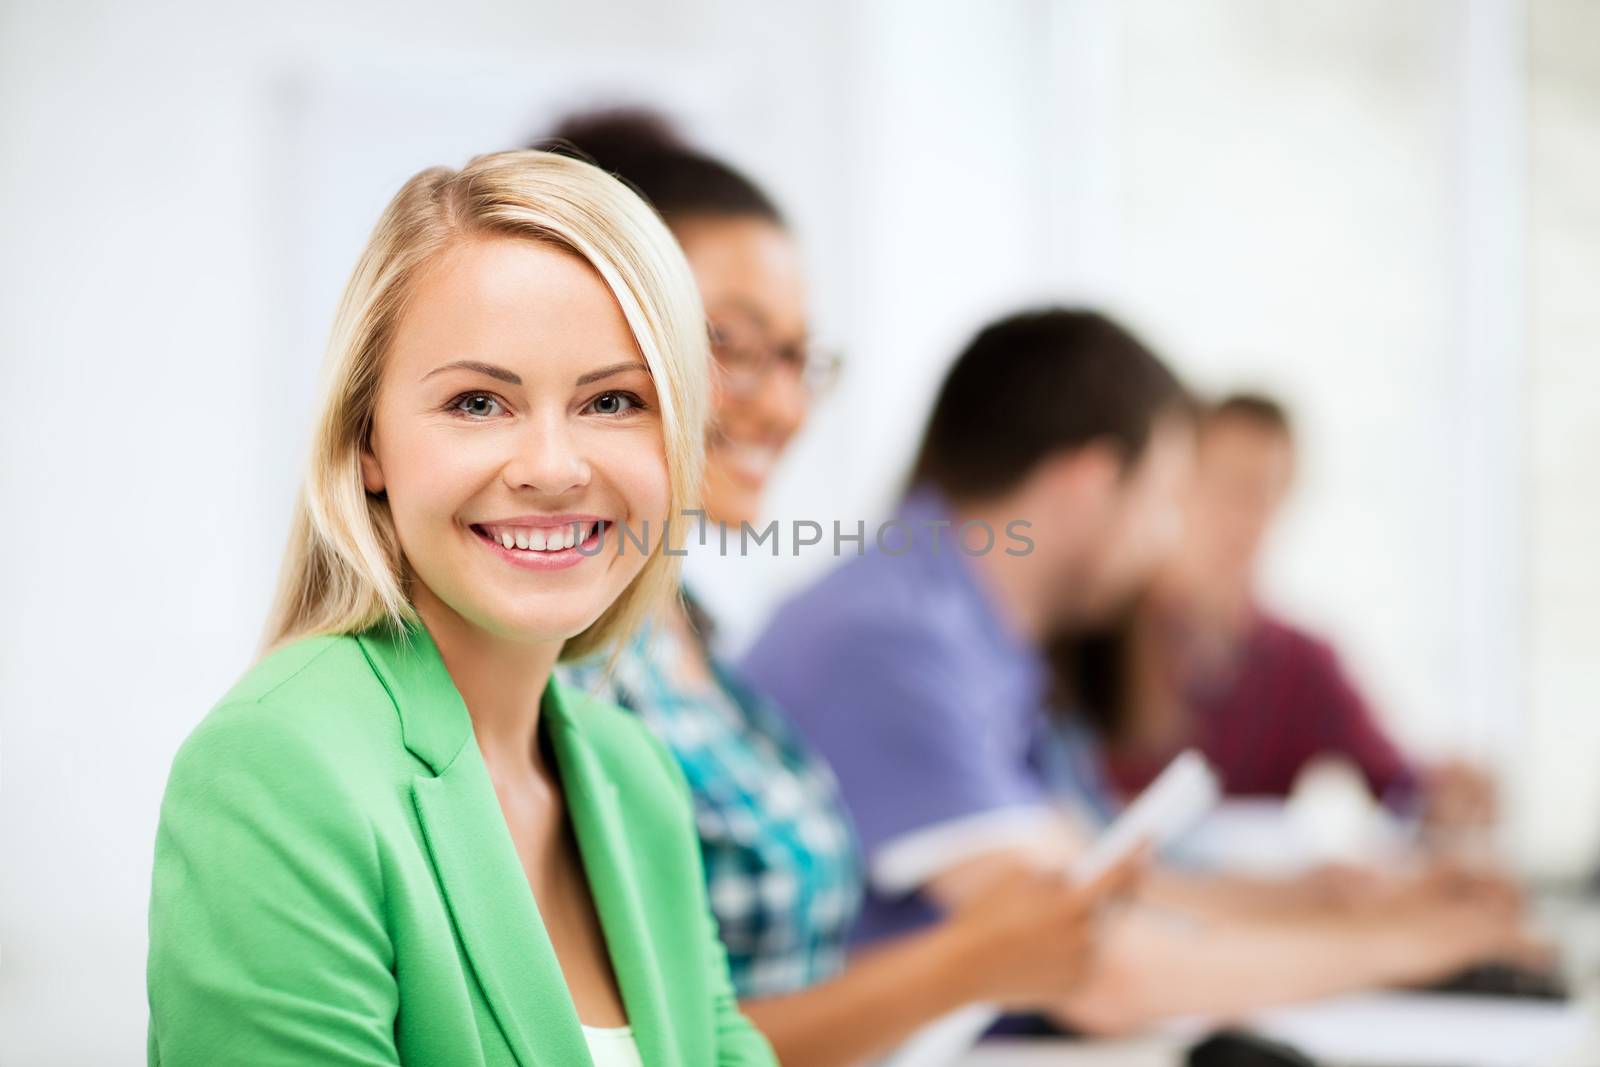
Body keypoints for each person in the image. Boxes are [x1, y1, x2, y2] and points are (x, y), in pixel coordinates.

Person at [146, 150, 775, 1066]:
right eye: (479, 402)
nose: (553, 467)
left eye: (613, 400)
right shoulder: (275, 769)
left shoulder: (629, 771)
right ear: (367, 442)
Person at [743, 310, 1535, 1034]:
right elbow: (1089, 959)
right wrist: (1410, 946)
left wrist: (1329, 900)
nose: (1165, 539)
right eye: (1164, 499)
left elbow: (1094, 875)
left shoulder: (976, 633)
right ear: (1090, 481)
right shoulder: (890, 641)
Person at [546, 111, 1134, 1067]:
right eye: (732, 343)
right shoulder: (560, 665)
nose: (782, 404)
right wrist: (969, 961)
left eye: (799, 359)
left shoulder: (694, 637)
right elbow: (640, 1047)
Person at [1080, 392, 1495, 828]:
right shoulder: (1094, 633)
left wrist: (1448, 795)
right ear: (1176, 484)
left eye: (1271, 491)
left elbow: (1401, 787)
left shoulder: (1302, 662)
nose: (1251, 517)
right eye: (1233, 487)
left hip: (1259, 893)